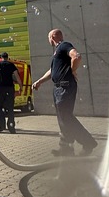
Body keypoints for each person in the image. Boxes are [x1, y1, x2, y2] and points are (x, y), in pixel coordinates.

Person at [32, 28, 98, 156]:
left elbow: (77, 56)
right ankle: (66, 148)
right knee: (63, 119)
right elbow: (52, 71)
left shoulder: (64, 45)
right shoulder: (57, 53)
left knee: (66, 117)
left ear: (52, 37)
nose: (48, 41)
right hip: (58, 88)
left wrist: (73, 70)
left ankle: (88, 142)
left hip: (65, 87)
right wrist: (39, 81)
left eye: (48, 38)